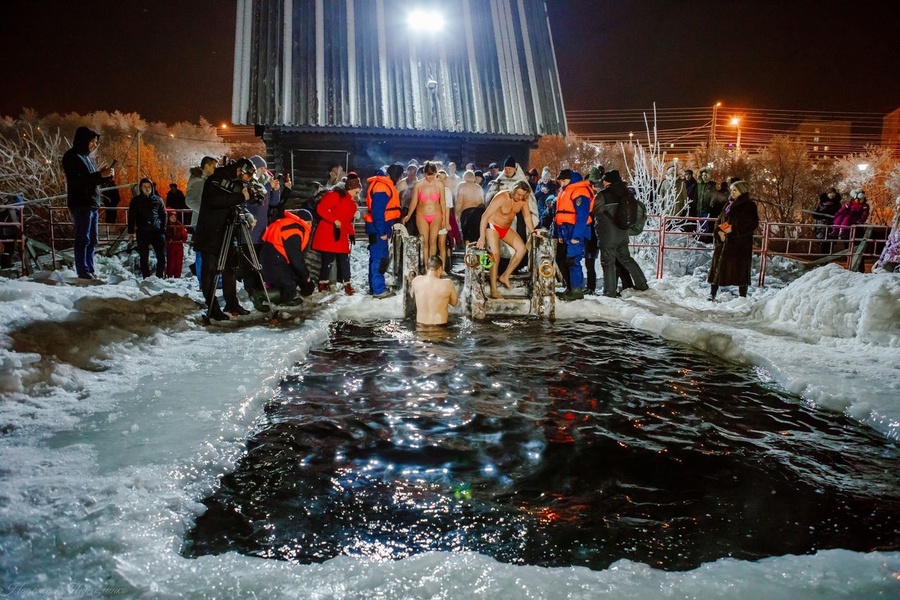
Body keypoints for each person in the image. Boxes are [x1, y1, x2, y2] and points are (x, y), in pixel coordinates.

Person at [194, 158, 257, 320]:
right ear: (240, 170)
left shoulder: (233, 181)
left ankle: (232, 303)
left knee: (230, 268)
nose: (248, 180)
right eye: (248, 176)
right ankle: (212, 307)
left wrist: (246, 211)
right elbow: (215, 201)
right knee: (210, 270)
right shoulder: (216, 179)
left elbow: (236, 203)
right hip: (210, 232)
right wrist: (240, 197)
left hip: (227, 231)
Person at [62, 126, 114, 280]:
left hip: (91, 203)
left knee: (92, 239)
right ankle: (82, 271)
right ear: (84, 140)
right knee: (83, 239)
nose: (94, 145)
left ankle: (89, 268)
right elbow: (79, 180)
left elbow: (92, 180)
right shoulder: (71, 157)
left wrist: (106, 176)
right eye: (93, 141)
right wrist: (99, 175)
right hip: (80, 203)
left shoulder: (86, 158)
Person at [476, 180, 539, 299]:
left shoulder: (523, 200)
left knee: (521, 249)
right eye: (518, 194)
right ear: (513, 190)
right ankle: (494, 289)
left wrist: (533, 232)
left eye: (522, 195)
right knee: (495, 255)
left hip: (505, 228)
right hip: (492, 226)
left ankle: (505, 276)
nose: (519, 197)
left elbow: (527, 217)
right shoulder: (502, 197)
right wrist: (482, 237)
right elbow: (484, 216)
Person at [594, 170, 649, 298]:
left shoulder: (604, 195)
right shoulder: (627, 192)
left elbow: (595, 211)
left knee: (608, 262)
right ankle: (642, 284)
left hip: (608, 234)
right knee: (626, 259)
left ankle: (609, 292)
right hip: (623, 232)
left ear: (608, 181)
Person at [708, 179, 760, 300]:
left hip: (739, 244)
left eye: (734, 190)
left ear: (742, 191)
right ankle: (712, 292)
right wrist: (719, 232)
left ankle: (742, 295)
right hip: (724, 242)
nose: (731, 192)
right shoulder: (728, 205)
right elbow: (719, 220)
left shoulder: (749, 205)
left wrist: (734, 230)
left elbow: (752, 224)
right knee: (717, 268)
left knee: (740, 270)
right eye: (731, 190)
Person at [313, 172, 361, 294]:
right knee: (328, 259)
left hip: (340, 234)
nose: (358, 194)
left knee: (344, 260)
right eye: (356, 191)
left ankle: (347, 284)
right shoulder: (335, 196)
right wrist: (334, 220)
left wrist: (351, 232)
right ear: (349, 188)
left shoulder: (352, 204)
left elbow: (346, 220)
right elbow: (321, 209)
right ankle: (323, 282)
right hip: (329, 233)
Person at [259, 208, 316, 305]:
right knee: (289, 287)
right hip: (275, 261)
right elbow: (295, 257)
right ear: (306, 222)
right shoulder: (294, 230)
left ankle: (271, 290)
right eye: (310, 223)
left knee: (292, 277)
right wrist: (306, 276)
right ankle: (265, 296)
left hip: (271, 258)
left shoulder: (287, 224)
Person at [554, 169, 594, 300]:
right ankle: (571, 288)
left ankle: (576, 291)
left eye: (564, 180)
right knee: (563, 260)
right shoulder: (565, 189)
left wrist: (576, 236)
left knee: (573, 260)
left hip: (575, 230)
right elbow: (560, 215)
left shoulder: (580, 191)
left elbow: (582, 216)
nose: (562, 183)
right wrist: (560, 234)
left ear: (570, 179)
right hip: (565, 229)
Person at [365, 163, 403, 298]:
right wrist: (381, 232)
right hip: (378, 228)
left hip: (377, 227)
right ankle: (379, 290)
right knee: (379, 258)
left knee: (376, 257)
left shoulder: (382, 184)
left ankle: (374, 286)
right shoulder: (383, 187)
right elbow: (378, 212)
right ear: (398, 177)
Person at [403, 162, 446, 267]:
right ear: (424, 173)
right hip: (421, 215)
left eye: (432, 175)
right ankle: (425, 266)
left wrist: (444, 218)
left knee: (433, 241)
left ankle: (432, 267)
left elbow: (443, 202)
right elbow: (414, 201)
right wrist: (409, 215)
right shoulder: (419, 184)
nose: (430, 177)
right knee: (425, 242)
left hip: (436, 215)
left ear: (436, 173)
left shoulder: (440, 184)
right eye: (428, 174)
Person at [185, 156, 218, 284]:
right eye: (213, 167)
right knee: (202, 252)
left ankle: (206, 279)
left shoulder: (203, 179)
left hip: (203, 220)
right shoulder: (198, 181)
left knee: (205, 252)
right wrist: (206, 211)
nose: (215, 169)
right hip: (201, 220)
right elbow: (190, 200)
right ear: (207, 166)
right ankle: (203, 280)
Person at [127, 178, 167, 278]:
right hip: (142, 231)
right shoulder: (136, 201)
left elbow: (164, 215)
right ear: (141, 188)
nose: (147, 188)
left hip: (157, 232)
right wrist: (130, 232)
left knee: (161, 257)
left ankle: (159, 277)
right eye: (144, 187)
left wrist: (163, 229)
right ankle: (146, 277)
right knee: (144, 258)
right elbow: (131, 217)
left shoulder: (158, 199)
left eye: (149, 187)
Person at [410, 255, 459, 325]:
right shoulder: (448, 284)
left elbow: (412, 295)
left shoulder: (416, 280)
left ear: (426, 268)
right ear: (440, 269)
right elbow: (455, 303)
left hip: (420, 329)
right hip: (440, 329)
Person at [456, 170, 486, 243]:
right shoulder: (478, 187)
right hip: (479, 213)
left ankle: (467, 253)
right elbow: (482, 203)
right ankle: (476, 253)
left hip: (467, 212)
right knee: (476, 235)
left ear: (464, 177)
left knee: (467, 236)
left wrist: (457, 214)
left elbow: (459, 201)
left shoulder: (461, 185)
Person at [874, 195, 900, 273]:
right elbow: (889, 242)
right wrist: (880, 260)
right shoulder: (896, 223)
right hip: (891, 259)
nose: (898, 208)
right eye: (897, 205)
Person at [165, 208, 188, 278]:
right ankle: (169, 275)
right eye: (172, 216)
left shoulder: (179, 225)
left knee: (178, 263)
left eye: (175, 216)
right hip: (171, 246)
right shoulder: (166, 226)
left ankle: (177, 276)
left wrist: (182, 239)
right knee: (171, 262)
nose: (173, 218)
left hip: (178, 245)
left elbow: (184, 235)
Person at [696, 168, 718, 239]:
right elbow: (696, 195)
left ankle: (705, 237)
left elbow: (714, 196)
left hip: (706, 208)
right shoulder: (699, 185)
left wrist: (711, 205)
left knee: (705, 223)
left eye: (705, 175)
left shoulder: (711, 185)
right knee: (698, 223)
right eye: (702, 175)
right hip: (699, 207)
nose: (704, 177)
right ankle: (699, 236)